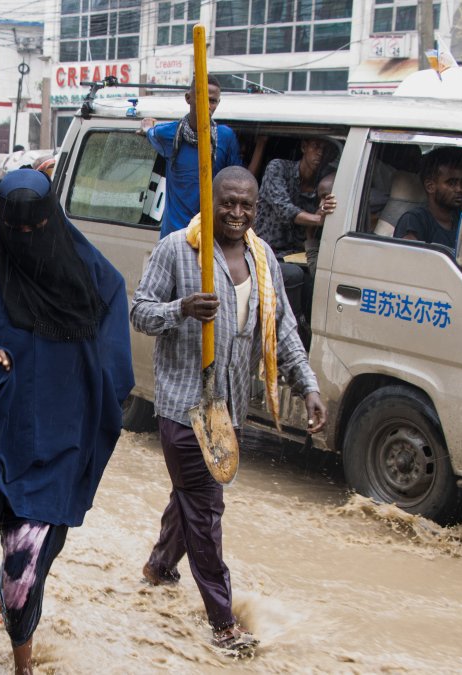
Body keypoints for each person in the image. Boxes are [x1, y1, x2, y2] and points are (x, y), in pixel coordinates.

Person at [0, 169, 134, 675]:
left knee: (34, 554)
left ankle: (16, 629)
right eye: (13, 229)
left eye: (34, 228)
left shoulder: (97, 279)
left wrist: (94, 402)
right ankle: (24, 661)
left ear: (51, 220)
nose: (23, 239)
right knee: (22, 559)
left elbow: (116, 370)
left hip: (66, 442)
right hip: (8, 441)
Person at [131, 166, 327, 654]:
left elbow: (281, 329)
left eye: (247, 205)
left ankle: (159, 567)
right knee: (206, 511)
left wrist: (308, 387)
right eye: (228, 203)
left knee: (190, 498)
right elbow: (139, 312)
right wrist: (181, 309)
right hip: (185, 407)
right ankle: (223, 624)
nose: (237, 213)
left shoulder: (263, 258)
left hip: (229, 410)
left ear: (256, 208)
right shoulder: (179, 249)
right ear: (211, 201)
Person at [139, 76, 244, 238]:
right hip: (175, 235)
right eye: (202, 98)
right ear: (188, 98)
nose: (207, 106)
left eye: (212, 101)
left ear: (218, 103)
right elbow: (151, 133)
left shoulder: (225, 137)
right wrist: (147, 129)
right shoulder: (168, 134)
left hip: (210, 235)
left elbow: (238, 181)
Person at [253, 138, 336, 338]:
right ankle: (291, 333)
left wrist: (326, 205)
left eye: (325, 150)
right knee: (295, 276)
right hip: (267, 251)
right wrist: (318, 219)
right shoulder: (278, 168)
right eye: (316, 146)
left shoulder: (322, 182)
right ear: (304, 147)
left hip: (298, 253)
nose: (320, 153)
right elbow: (284, 208)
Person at [394, 147, 462, 249]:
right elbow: (408, 256)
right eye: (451, 183)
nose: (460, 189)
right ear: (430, 186)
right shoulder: (415, 221)